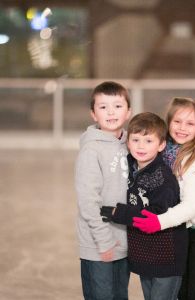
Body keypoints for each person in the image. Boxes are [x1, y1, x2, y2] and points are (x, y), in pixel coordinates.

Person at [133, 97, 195, 300]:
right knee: (179, 290)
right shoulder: (164, 152)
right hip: (181, 230)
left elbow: (191, 206)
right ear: (169, 122)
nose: (182, 128)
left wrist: (159, 221)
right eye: (177, 121)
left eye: (190, 123)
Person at [100, 112, 188, 300]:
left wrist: (119, 213)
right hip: (145, 257)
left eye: (148, 141)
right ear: (128, 142)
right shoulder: (131, 168)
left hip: (166, 260)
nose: (141, 146)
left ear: (161, 145)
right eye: (136, 140)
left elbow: (156, 215)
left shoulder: (162, 178)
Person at [75, 81, 131, 300]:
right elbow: (88, 202)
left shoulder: (132, 144)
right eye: (103, 106)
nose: (110, 112)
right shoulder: (91, 149)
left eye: (117, 106)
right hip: (98, 243)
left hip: (123, 241)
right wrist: (104, 240)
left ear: (128, 112)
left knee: (120, 295)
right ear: (93, 114)